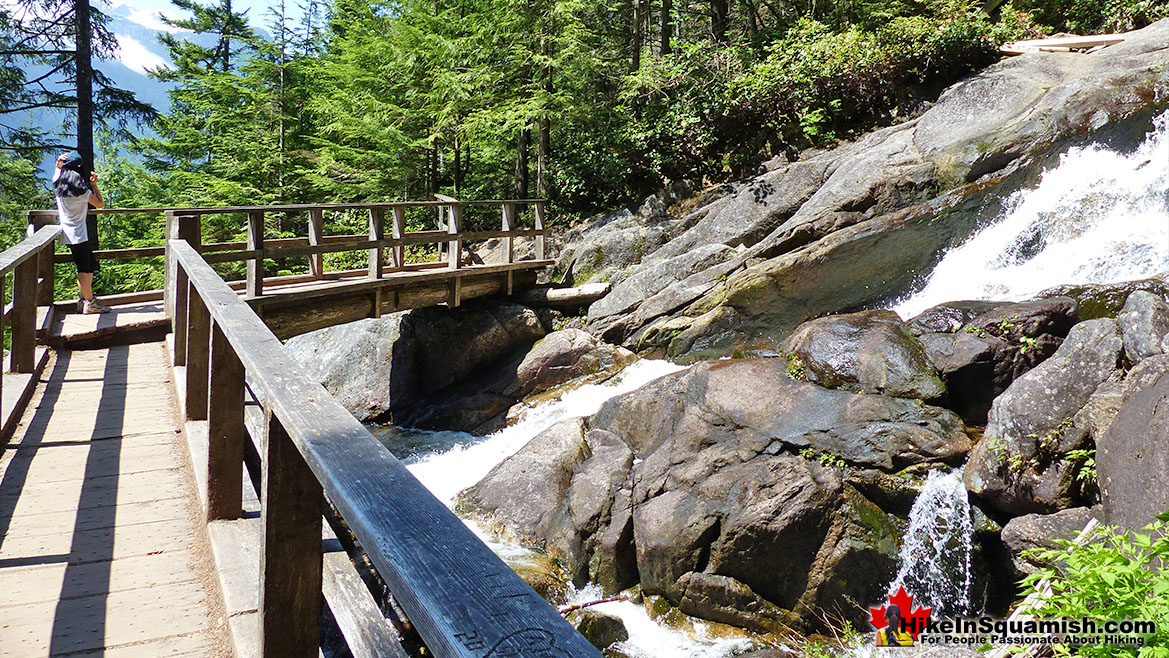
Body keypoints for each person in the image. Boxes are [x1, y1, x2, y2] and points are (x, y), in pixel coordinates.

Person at [53, 151, 111, 314]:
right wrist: (94, 185)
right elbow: (99, 204)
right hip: (79, 235)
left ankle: (84, 300)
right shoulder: (82, 192)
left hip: (69, 234)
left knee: (88, 265)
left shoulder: (58, 184)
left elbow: (57, 170)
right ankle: (90, 303)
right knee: (85, 269)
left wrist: (59, 163)